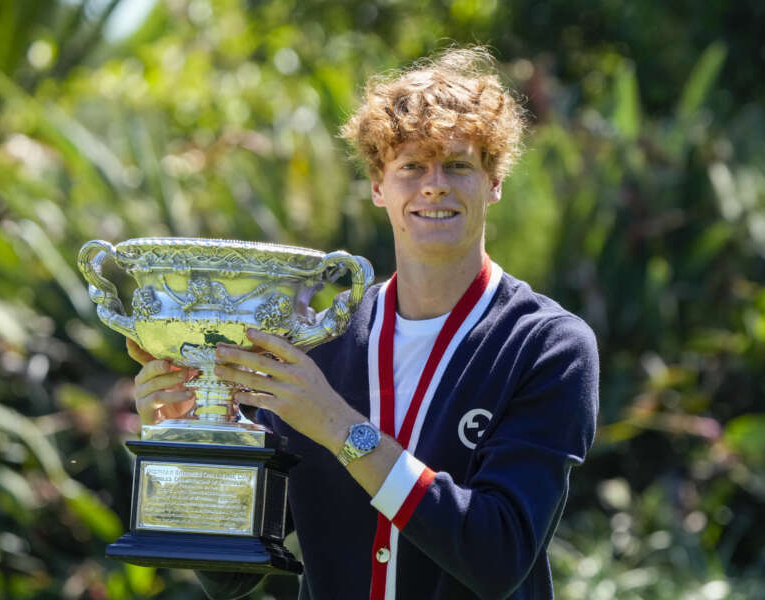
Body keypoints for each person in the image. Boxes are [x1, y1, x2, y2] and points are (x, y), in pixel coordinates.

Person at [127, 46, 599, 600]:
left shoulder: (547, 345)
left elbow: (497, 557)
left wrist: (335, 424)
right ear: (379, 187)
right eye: (411, 167)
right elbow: (230, 574)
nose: (434, 185)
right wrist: (190, 436)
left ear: (494, 181)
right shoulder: (320, 337)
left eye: (458, 164)